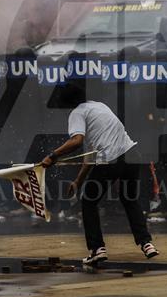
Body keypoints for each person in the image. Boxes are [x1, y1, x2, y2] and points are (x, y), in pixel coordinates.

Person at [40, 83, 158, 266]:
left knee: (88, 202)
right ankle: (147, 244)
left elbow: (76, 141)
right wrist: (78, 182)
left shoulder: (77, 113)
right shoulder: (99, 106)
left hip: (111, 160)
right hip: (132, 155)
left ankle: (97, 249)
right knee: (130, 200)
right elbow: (91, 154)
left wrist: (52, 156)